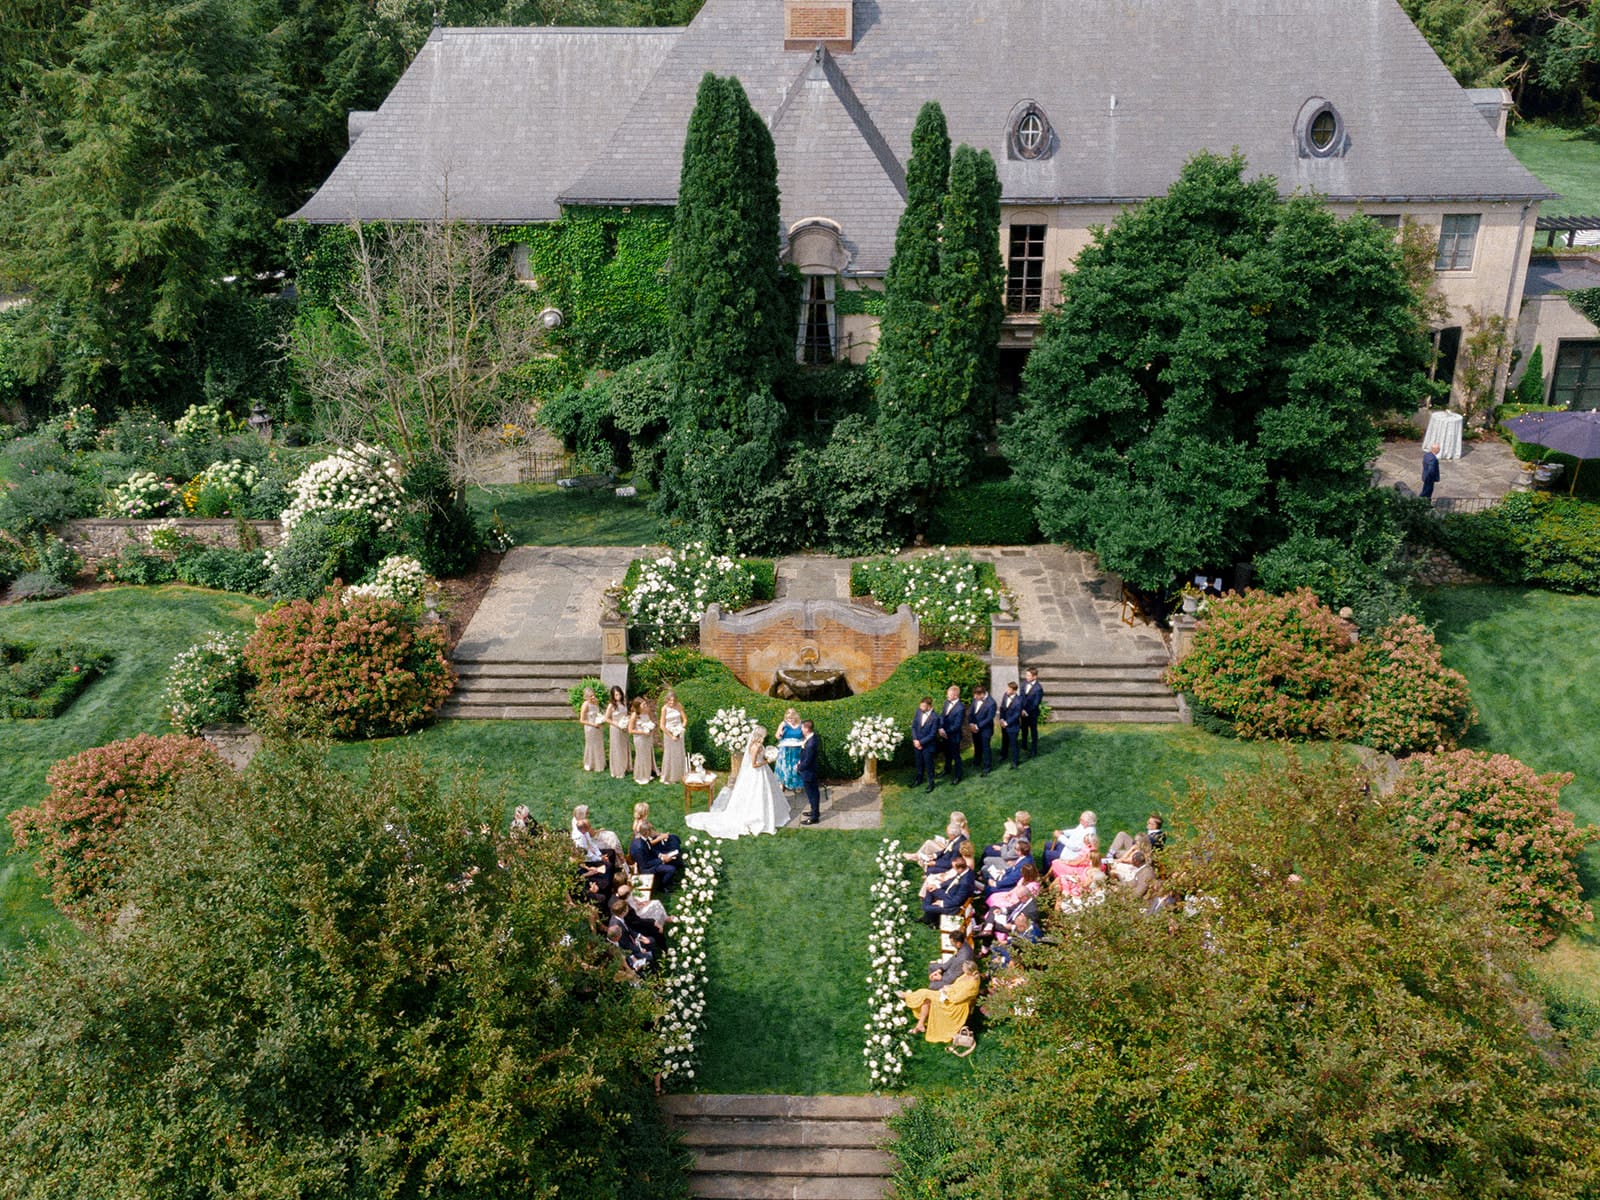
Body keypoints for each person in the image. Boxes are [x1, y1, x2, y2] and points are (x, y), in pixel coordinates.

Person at [684, 726, 792, 839]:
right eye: (764, 736)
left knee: (766, 791)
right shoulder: (755, 747)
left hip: (762, 771)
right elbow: (754, 765)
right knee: (757, 793)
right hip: (757, 772)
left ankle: (768, 813)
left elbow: (759, 758)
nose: (765, 737)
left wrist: (767, 756)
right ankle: (757, 817)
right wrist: (767, 762)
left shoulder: (757, 745)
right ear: (760, 736)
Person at [899, 959, 980, 1043]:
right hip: (949, 996)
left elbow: (957, 999)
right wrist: (948, 988)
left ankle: (907, 996)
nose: (961, 968)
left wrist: (947, 992)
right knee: (925, 996)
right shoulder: (966, 975)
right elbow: (955, 986)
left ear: (968, 970)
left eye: (963, 967)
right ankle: (920, 1024)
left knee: (926, 995)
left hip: (955, 1005)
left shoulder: (972, 984)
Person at [921, 851, 977, 923]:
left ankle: (930, 917)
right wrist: (937, 886)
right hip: (950, 894)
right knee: (930, 889)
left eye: (954, 868)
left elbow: (957, 901)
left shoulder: (965, 883)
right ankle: (930, 916)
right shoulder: (966, 870)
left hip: (953, 906)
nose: (953, 869)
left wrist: (942, 903)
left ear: (960, 869)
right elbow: (953, 880)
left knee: (925, 907)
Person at [629, 818, 680, 889]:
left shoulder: (643, 838)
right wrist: (662, 860)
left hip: (650, 858)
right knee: (671, 869)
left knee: (674, 858)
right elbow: (645, 864)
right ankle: (663, 886)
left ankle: (669, 880)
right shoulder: (639, 847)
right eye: (651, 830)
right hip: (646, 868)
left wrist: (660, 855)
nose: (653, 831)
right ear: (647, 832)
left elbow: (650, 849)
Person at [938, 685, 965, 784]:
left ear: (955, 696)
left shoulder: (960, 708)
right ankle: (947, 769)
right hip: (944, 734)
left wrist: (946, 732)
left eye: (949, 695)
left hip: (954, 736)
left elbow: (957, 725)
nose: (947, 696)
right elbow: (942, 716)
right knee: (947, 754)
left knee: (956, 756)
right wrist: (940, 727)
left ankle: (958, 776)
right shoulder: (946, 703)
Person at [659, 691, 688, 784]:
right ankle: (668, 776)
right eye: (670, 701)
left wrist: (681, 728)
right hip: (669, 734)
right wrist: (671, 736)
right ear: (666, 700)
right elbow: (662, 725)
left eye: (674, 701)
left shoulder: (679, 706)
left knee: (679, 753)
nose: (672, 703)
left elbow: (685, 719)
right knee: (669, 755)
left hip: (679, 733)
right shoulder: (664, 709)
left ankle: (680, 775)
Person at [911, 696, 939, 793]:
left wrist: (920, 742)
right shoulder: (918, 711)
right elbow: (914, 727)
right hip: (917, 743)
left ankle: (931, 783)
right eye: (920, 706)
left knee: (929, 765)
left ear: (929, 706)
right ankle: (919, 779)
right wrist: (915, 740)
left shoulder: (935, 717)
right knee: (919, 763)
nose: (921, 708)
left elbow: (932, 734)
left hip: (928, 746)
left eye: (923, 706)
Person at [967, 685, 996, 776]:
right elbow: (971, 712)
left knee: (985, 747)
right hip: (974, 727)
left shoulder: (991, 703)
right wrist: (971, 723)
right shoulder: (976, 699)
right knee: (977, 745)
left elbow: (989, 718)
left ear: (982, 694)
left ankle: (987, 766)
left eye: (976, 696)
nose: (974, 697)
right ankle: (977, 761)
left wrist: (977, 726)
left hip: (985, 729)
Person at [797, 719, 822, 825]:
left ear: (807, 729)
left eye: (802, 728)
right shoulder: (811, 737)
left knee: (812, 794)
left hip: (809, 772)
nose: (801, 730)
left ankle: (814, 817)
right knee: (812, 793)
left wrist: (799, 767)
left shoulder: (811, 743)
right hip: (810, 770)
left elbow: (807, 761)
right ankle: (814, 811)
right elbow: (805, 755)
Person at [774, 707, 804, 792]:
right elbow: (777, 736)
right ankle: (782, 783)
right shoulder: (783, 723)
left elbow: (805, 735)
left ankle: (797, 784)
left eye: (791, 718)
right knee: (784, 766)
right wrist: (780, 734)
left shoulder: (801, 724)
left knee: (796, 766)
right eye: (787, 718)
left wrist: (804, 743)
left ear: (796, 716)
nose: (789, 720)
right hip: (785, 749)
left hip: (797, 749)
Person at [604, 685, 630, 779]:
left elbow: (625, 714)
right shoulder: (611, 705)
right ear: (613, 696)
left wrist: (626, 721)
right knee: (617, 747)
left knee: (624, 747)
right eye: (616, 695)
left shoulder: (623, 703)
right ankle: (617, 769)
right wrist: (617, 724)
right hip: (615, 728)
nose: (618, 696)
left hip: (624, 728)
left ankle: (625, 765)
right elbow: (606, 718)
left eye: (619, 694)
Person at [629, 698, 657, 785]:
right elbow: (630, 730)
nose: (645, 706)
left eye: (645, 704)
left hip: (648, 738)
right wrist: (643, 732)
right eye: (643, 704)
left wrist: (651, 730)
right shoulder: (634, 715)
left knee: (647, 755)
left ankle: (647, 774)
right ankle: (640, 776)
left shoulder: (648, 711)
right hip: (639, 739)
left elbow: (652, 722)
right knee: (641, 756)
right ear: (638, 706)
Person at [579, 687, 606, 772]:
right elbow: (582, 720)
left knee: (599, 744)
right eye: (591, 696)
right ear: (586, 697)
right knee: (591, 745)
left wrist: (601, 720)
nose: (593, 697)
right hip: (590, 728)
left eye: (594, 695)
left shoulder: (596, 702)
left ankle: (599, 764)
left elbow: (598, 713)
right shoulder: (585, 705)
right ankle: (590, 763)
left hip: (598, 726)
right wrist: (593, 724)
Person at [998, 680, 1023, 769]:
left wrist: (1007, 723)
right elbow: (1002, 708)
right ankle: (1003, 755)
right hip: (1004, 724)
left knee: (1013, 744)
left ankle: (1015, 761)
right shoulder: (1005, 695)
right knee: (1004, 740)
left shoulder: (1019, 701)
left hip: (1013, 726)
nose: (1007, 690)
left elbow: (1016, 715)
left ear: (1014, 690)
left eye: (1009, 689)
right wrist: (1001, 719)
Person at [1020, 667, 1043, 758]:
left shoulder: (1038, 688)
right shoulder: (1024, 684)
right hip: (1023, 712)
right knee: (1024, 729)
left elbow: (1035, 703)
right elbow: (1021, 697)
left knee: (1033, 731)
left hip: (1032, 713)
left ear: (1034, 677)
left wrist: (1026, 711)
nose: (1026, 677)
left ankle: (1034, 749)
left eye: (1028, 675)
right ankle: (1024, 745)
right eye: (1026, 675)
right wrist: (1021, 709)